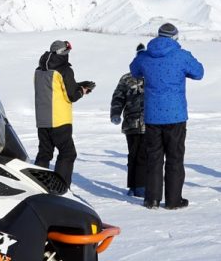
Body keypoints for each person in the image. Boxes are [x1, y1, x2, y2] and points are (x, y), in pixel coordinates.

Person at [129, 23, 204, 210]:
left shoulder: (145, 56)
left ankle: (151, 199)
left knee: (154, 158)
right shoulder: (181, 55)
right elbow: (199, 73)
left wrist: (140, 56)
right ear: (175, 37)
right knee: (175, 158)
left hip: (153, 116)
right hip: (176, 115)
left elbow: (134, 70)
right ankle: (173, 201)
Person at [34, 39, 95, 187]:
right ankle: (60, 188)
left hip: (42, 120)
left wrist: (78, 85)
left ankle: (36, 186)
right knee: (68, 153)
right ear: (64, 53)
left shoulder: (39, 70)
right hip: (60, 120)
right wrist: (83, 90)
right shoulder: (65, 70)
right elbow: (72, 95)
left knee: (44, 154)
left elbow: (55, 89)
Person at [110, 44, 147, 197]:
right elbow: (118, 97)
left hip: (149, 123)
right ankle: (134, 186)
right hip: (131, 123)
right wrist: (115, 113)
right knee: (133, 155)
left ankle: (141, 186)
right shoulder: (127, 78)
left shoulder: (153, 75)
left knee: (143, 156)